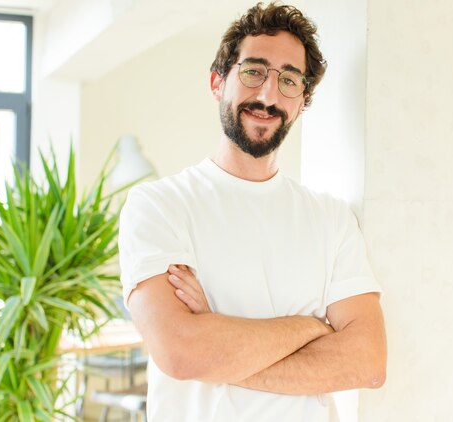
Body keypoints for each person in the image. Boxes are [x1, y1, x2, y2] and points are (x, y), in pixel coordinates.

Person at [118, 3, 387, 421]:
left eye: (289, 81)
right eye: (253, 71)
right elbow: (182, 354)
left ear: (302, 102)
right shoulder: (158, 206)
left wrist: (219, 345)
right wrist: (312, 328)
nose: (268, 95)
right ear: (217, 82)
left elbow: (366, 362)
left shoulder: (331, 218)